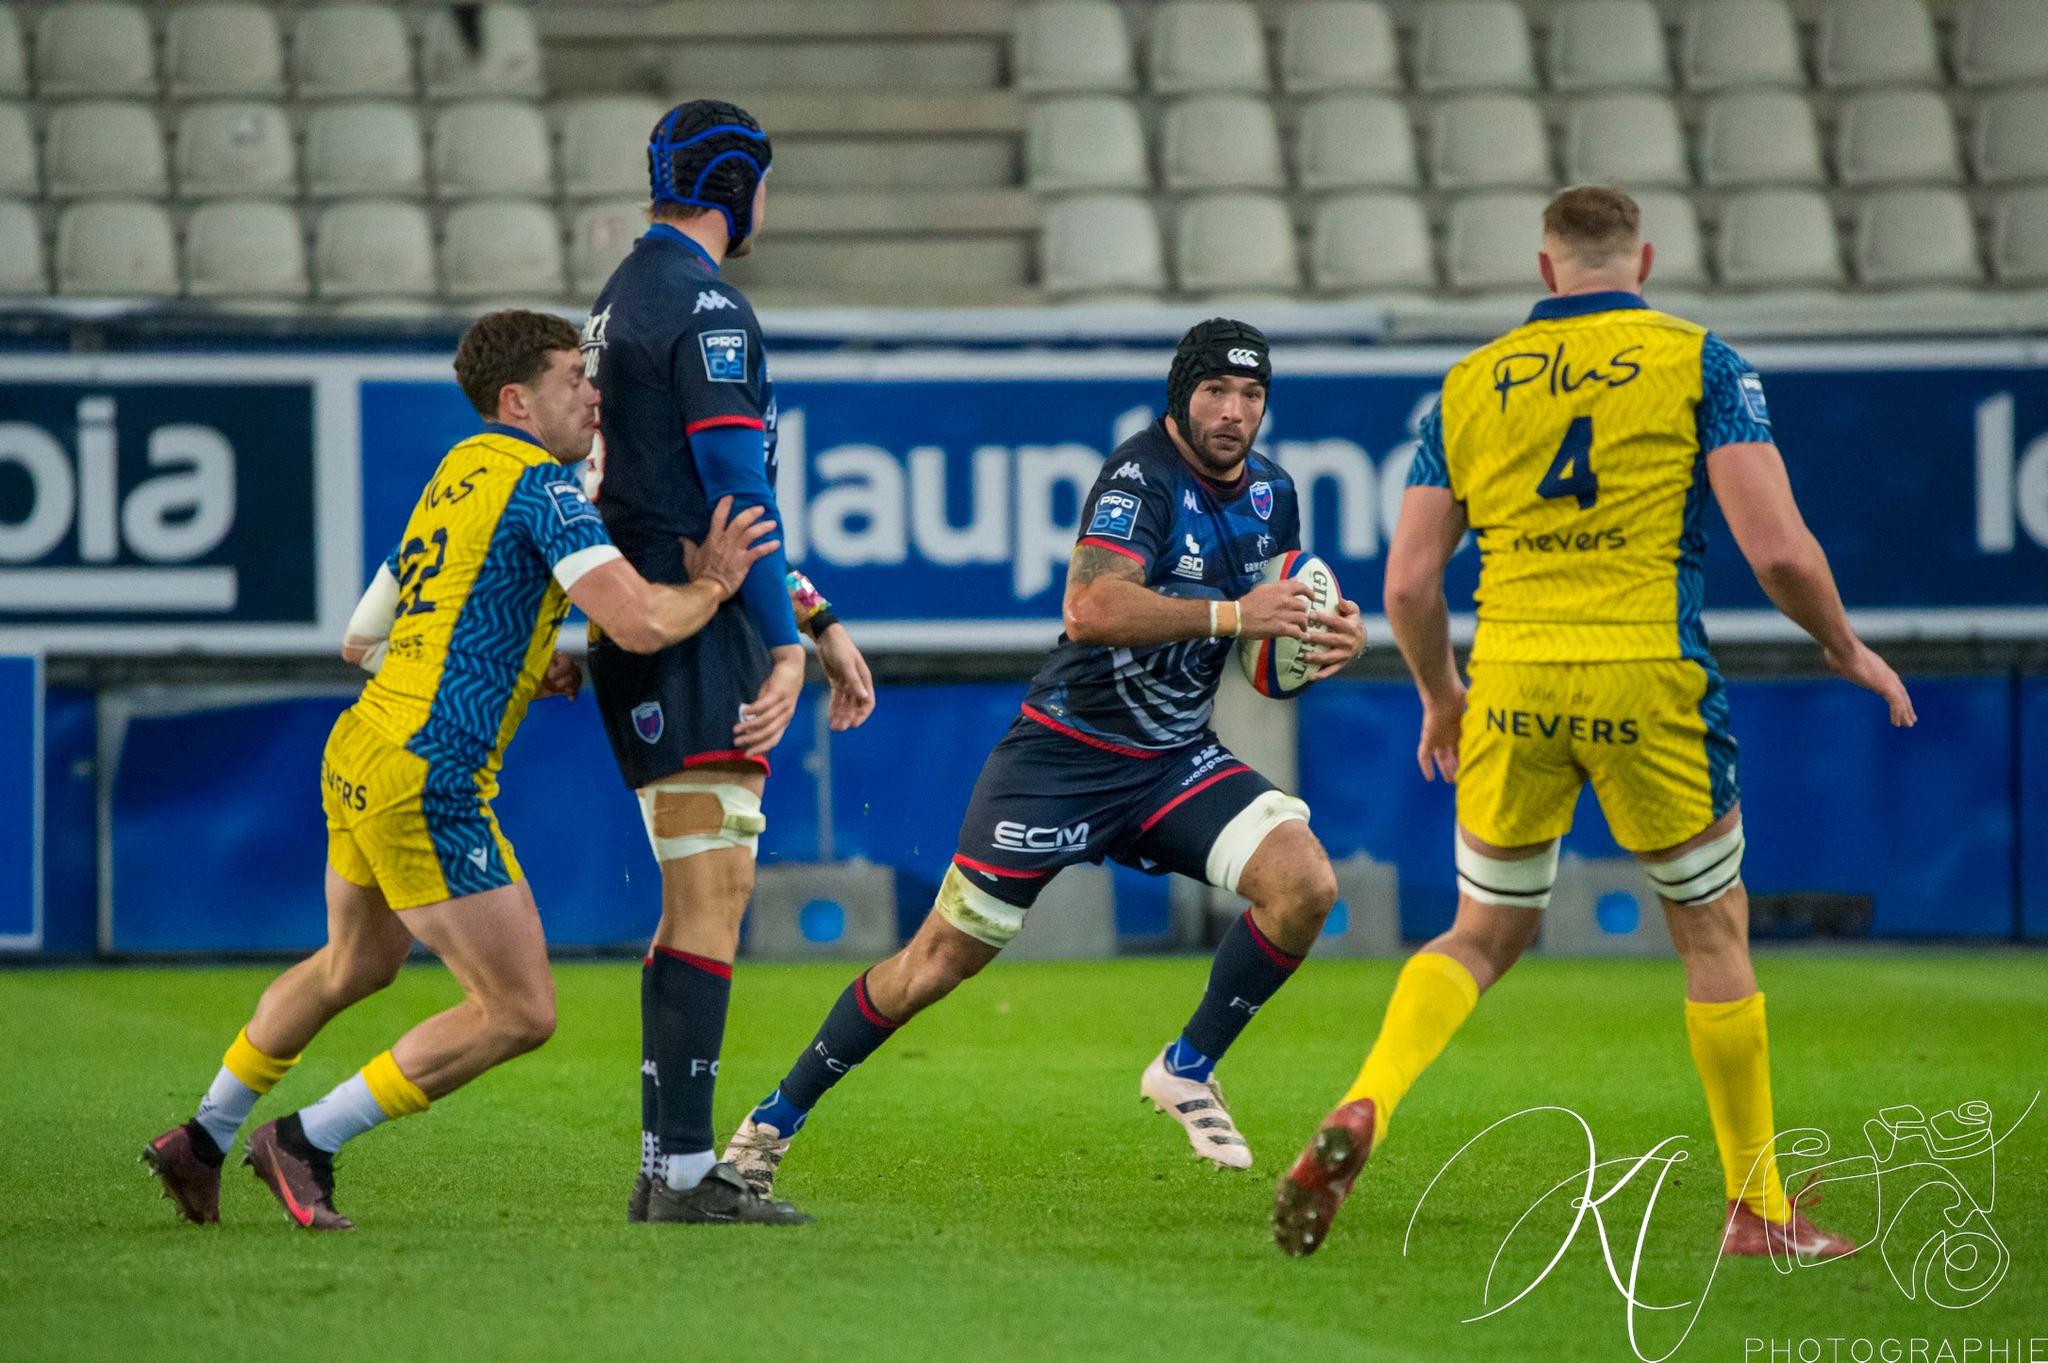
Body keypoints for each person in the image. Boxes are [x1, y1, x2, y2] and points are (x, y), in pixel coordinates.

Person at [1270, 186, 1917, 1259]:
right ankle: (1755, 1209)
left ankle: (1368, 1100)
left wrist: (1439, 693)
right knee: (1710, 929)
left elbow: (1407, 583)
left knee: (1480, 931)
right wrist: (1842, 648)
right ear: (1643, 260)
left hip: (1513, 681)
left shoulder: (1466, 386)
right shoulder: (1699, 362)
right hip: (1645, 677)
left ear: (1543, 270)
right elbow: (1779, 552)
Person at [142, 310, 781, 1231]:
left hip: (359, 748)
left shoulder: (455, 474)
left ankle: (200, 1138)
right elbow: (639, 622)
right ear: (517, 399)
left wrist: (522, 658)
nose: (592, 393)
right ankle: (307, 1139)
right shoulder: (545, 489)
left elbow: (360, 640)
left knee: (349, 964)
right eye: (572, 377)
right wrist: (718, 584)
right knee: (518, 1010)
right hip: (428, 775)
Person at [716, 319, 1369, 1203]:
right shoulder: (1139, 477)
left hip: (1174, 759)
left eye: (1251, 395)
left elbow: (1274, 633)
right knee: (935, 964)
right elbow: (1091, 606)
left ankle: (1188, 1065)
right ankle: (772, 1122)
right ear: (1181, 393)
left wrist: (1329, 635)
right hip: (1063, 755)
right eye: (1215, 390)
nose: (1233, 412)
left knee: (1306, 885)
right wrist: (1234, 617)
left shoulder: (1275, 492)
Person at [578, 98, 876, 1226]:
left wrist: (816, 611)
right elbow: (735, 492)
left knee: (695, 895)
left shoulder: (618, 299)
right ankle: (686, 1174)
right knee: (712, 893)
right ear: (737, 184)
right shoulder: (709, 305)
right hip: (695, 635)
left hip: (646, 623)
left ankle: (671, 1164)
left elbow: (690, 492)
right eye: (765, 184)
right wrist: (790, 645)